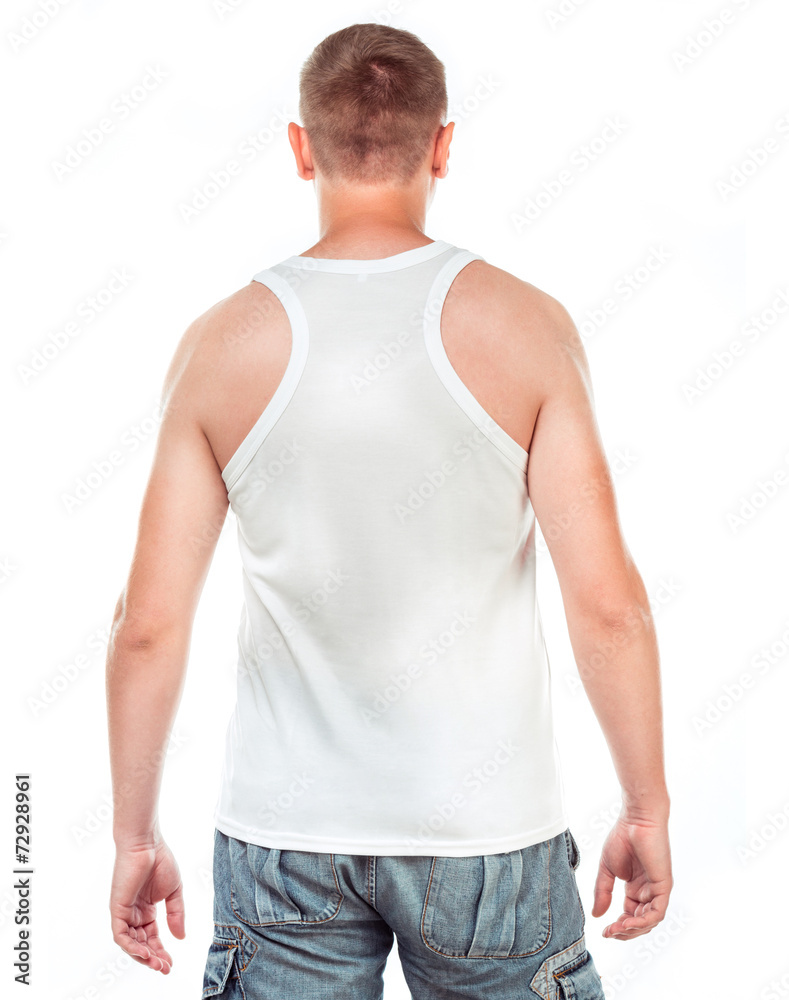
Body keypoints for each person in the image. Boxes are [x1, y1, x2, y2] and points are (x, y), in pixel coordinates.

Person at [105, 22, 672, 999]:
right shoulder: (526, 328)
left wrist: (132, 835)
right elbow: (609, 605)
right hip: (488, 836)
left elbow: (147, 626)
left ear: (301, 148)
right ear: (442, 146)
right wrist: (645, 807)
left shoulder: (220, 345)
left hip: (284, 841)